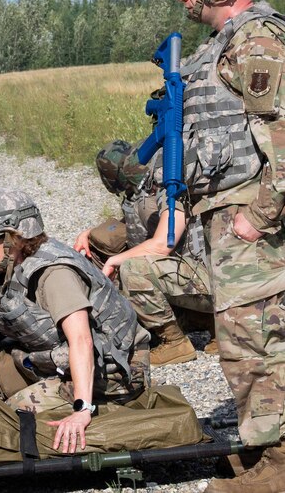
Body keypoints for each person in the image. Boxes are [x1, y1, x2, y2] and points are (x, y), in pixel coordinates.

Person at [165, 0, 285, 493]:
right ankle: (267, 456)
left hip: (250, 211)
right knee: (242, 338)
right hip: (231, 208)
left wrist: (259, 215)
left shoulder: (255, 41)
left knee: (263, 335)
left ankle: (284, 472)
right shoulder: (229, 43)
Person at [0, 189, 150, 454]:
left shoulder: (54, 273)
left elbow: (82, 340)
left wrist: (82, 410)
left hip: (111, 370)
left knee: (9, 418)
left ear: (13, 239)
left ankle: (94, 402)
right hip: (53, 358)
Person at [76, 140, 215, 366]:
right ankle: (212, 324)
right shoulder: (145, 191)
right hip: (204, 276)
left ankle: (175, 344)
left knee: (133, 269)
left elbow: (162, 244)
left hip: (216, 282)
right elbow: (133, 224)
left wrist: (116, 261)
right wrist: (90, 234)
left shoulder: (171, 186)